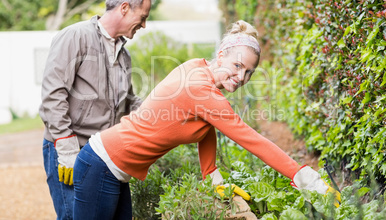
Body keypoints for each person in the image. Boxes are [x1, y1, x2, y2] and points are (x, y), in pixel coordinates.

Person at [73, 20, 341, 219]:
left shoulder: (197, 67)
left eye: (248, 72)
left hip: (109, 166)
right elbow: (253, 141)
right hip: (102, 164)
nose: (241, 77)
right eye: (237, 65)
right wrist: (308, 180)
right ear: (222, 54)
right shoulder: (202, 90)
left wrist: (212, 175)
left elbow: (204, 127)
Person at [39, 0, 156, 220]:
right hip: (73, 148)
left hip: (106, 152)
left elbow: (129, 100)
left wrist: (158, 110)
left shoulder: (123, 54)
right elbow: (53, 95)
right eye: (142, 17)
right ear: (124, 8)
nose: (144, 25)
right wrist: (67, 149)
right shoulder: (75, 36)